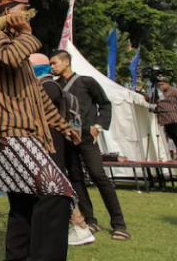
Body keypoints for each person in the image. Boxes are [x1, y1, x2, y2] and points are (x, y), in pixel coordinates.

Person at [0, 0, 80, 261]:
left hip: (20, 134)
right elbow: (9, 58)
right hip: (6, 133)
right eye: (22, 9)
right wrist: (27, 34)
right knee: (55, 191)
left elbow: (37, 97)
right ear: (6, 12)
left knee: (24, 204)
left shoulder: (18, 48)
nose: (27, 14)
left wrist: (64, 127)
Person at [50, 50, 130, 241]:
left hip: (87, 137)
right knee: (76, 178)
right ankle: (90, 220)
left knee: (98, 175)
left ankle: (119, 224)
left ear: (66, 62)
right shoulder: (54, 86)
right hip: (66, 138)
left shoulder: (87, 82)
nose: (52, 67)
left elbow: (105, 104)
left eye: (54, 63)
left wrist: (98, 126)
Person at [29, 53, 95, 247]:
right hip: (48, 145)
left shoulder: (48, 87)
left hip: (52, 147)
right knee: (53, 188)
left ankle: (80, 226)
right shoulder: (45, 86)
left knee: (58, 187)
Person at [153, 77, 177, 160]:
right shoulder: (159, 93)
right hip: (166, 120)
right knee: (174, 138)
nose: (161, 86)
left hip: (176, 119)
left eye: (162, 84)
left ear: (167, 84)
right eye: (159, 85)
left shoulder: (175, 91)